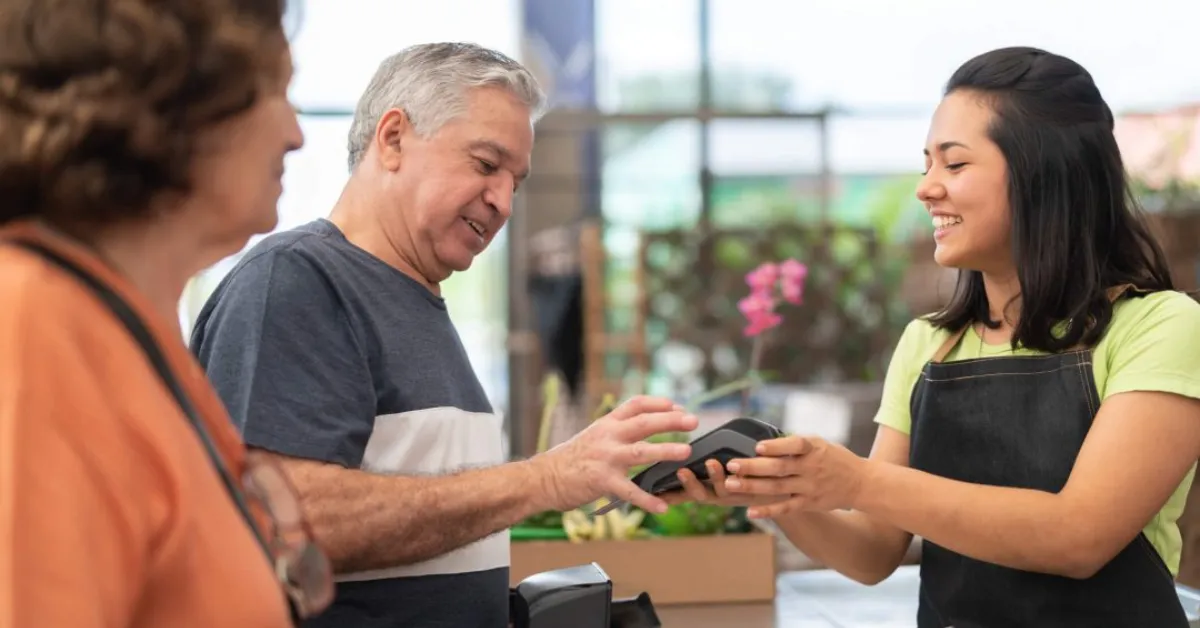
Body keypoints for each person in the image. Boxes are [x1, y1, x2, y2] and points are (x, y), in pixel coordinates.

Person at [675, 46, 1200, 627]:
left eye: (954, 164)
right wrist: (780, 494)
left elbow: (1077, 537)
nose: (926, 188)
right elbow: (873, 551)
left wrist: (858, 479)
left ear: (1043, 173)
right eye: (926, 164)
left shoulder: (1161, 327)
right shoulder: (929, 344)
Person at [188, 42, 698, 628]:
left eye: (515, 180)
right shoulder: (296, 282)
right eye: (485, 164)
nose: (504, 201)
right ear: (394, 138)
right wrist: (545, 478)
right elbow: (286, 518)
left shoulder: (418, 301)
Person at [0, 1, 335, 627]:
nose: (296, 133)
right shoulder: (33, 329)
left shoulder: (130, 328)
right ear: (176, 108)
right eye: (275, 91)